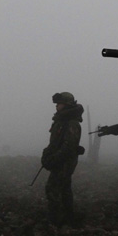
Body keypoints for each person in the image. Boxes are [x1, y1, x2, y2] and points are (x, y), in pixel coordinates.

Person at [41, 92, 84, 227]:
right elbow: (55, 142)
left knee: (52, 188)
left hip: (65, 162)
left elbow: (68, 146)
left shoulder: (71, 123)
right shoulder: (61, 121)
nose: (56, 106)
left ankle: (56, 220)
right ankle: (68, 216)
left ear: (66, 105)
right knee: (64, 188)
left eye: (59, 104)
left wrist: (54, 159)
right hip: (61, 160)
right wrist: (47, 154)